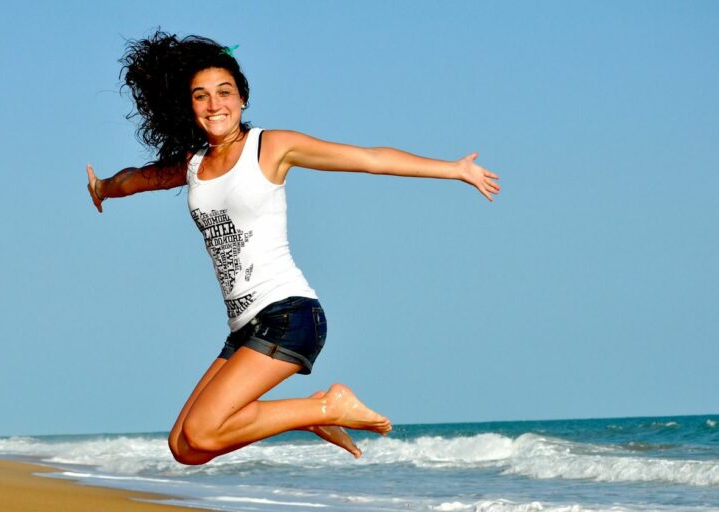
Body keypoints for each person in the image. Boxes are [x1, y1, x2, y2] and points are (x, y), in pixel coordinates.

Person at [86, 31, 500, 466]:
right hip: (245, 327)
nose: (214, 105)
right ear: (188, 107)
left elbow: (368, 158)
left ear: (242, 98)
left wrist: (454, 169)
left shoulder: (270, 147)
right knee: (185, 446)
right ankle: (309, 414)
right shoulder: (193, 165)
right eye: (201, 96)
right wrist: (102, 188)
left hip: (288, 315)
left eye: (224, 92)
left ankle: (326, 406)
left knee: (204, 430)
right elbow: (137, 179)